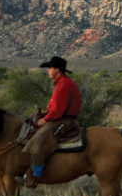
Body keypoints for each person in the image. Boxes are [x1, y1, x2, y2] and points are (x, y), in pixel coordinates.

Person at [21, 56, 81, 188]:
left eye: (50, 67)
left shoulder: (64, 85)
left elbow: (58, 111)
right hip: (61, 118)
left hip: (64, 120)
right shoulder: (61, 83)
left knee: (38, 143)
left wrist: (45, 119)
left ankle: (34, 176)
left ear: (57, 70)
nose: (48, 70)